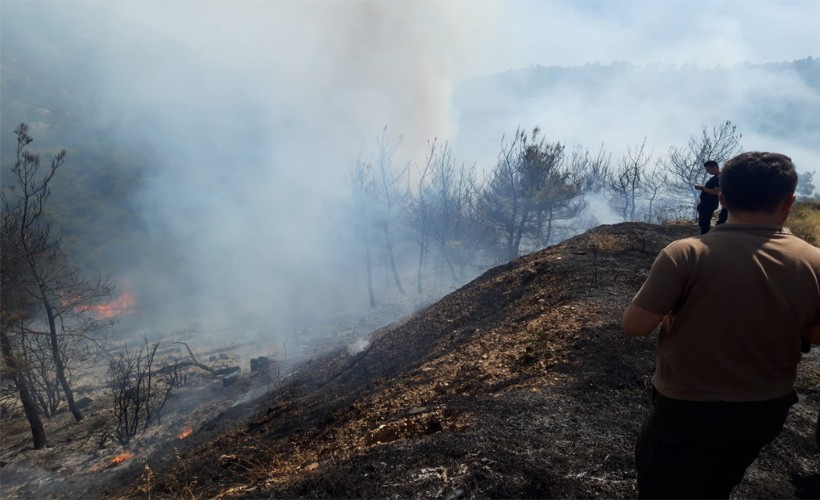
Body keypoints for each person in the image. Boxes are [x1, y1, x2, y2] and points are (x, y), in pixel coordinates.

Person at [622, 151, 820, 499]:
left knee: (663, 488)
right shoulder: (815, 261)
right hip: (764, 409)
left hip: (686, 407)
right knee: (719, 483)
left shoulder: (685, 253)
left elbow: (636, 325)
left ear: (724, 198)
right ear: (788, 201)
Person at [694, 160, 728, 234]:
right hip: (706, 204)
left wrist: (702, 188)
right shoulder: (716, 177)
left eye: (708, 169)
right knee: (703, 223)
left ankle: (705, 237)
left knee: (704, 223)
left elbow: (717, 192)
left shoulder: (718, 178)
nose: (708, 171)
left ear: (715, 167)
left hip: (709, 204)